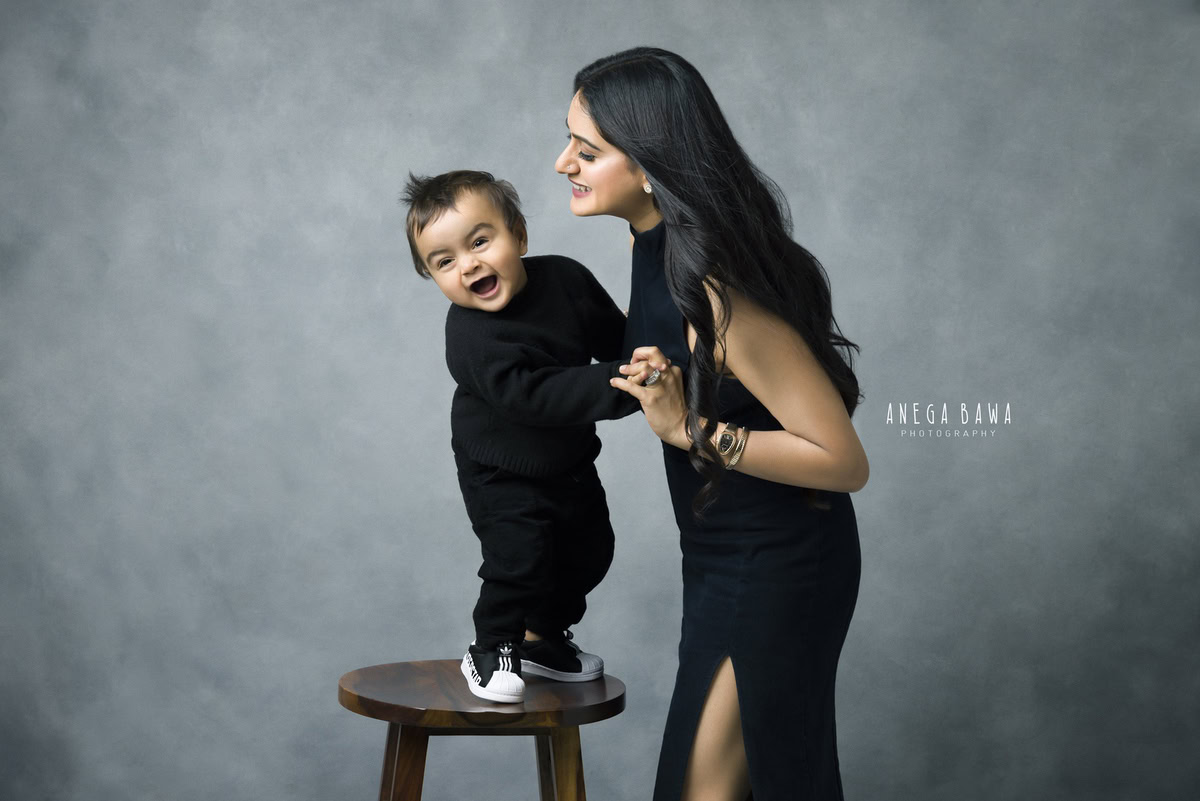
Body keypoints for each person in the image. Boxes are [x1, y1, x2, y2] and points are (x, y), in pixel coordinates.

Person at [553, 48, 870, 799]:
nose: (563, 161)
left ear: (651, 165)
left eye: (587, 150)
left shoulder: (715, 287)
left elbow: (843, 459)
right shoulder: (649, 245)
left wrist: (692, 431)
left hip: (782, 563)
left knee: (714, 785)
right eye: (568, 139)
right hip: (718, 557)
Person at [402, 170, 641, 703]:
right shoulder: (469, 337)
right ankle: (491, 647)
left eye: (480, 241)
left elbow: (615, 337)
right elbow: (534, 396)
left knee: (590, 550)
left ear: (520, 236)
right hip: (500, 472)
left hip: (569, 461)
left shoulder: (566, 279)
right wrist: (629, 384)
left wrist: (649, 348)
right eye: (444, 262)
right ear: (433, 277)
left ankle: (542, 640)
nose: (468, 265)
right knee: (520, 558)